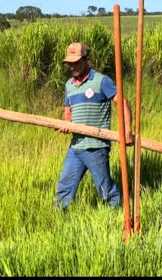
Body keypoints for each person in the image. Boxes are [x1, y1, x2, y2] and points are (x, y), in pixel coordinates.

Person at [55, 43, 133, 211]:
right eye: (69, 63)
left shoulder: (101, 81)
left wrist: (127, 131)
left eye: (76, 62)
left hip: (96, 147)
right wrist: (65, 124)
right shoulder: (69, 85)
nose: (72, 67)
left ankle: (118, 213)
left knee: (104, 188)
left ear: (86, 59)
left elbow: (124, 102)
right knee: (64, 186)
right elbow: (67, 114)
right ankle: (58, 217)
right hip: (76, 146)